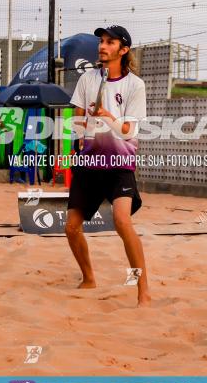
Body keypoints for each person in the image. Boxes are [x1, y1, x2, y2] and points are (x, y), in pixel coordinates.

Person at [65, 24, 151, 307]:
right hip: (89, 162)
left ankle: (143, 291)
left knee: (122, 221)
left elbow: (129, 130)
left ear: (123, 50)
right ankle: (89, 278)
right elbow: (77, 114)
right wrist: (79, 138)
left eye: (110, 42)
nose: (102, 46)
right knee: (71, 228)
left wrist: (105, 115)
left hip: (119, 164)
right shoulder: (88, 79)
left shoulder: (135, 85)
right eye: (101, 41)